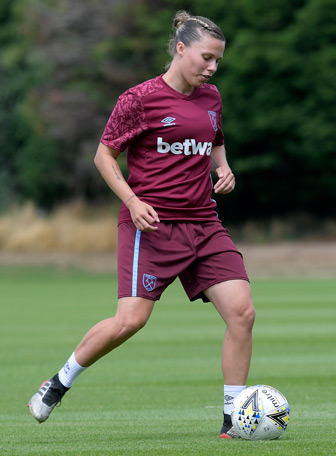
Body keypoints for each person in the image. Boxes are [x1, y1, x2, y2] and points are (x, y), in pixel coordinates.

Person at [27, 10, 256, 439]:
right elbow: (103, 156)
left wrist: (224, 169)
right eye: (207, 58)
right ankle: (58, 383)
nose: (212, 68)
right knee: (130, 321)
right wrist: (132, 201)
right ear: (181, 48)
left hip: (204, 223)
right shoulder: (139, 99)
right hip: (150, 227)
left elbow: (215, 140)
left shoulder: (212, 98)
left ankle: (234, 421)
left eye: (218, 61)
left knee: (242, 312)